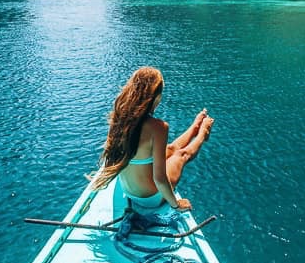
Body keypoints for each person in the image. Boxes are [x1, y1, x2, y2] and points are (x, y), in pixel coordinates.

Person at [90, 66, 213, 212]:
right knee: (181, 155)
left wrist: (194, 126)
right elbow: (160, 179)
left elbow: (172, 148)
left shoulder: (119, 119)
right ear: (156, 96)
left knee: (171, 149)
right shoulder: (158, 127)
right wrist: (176, 204)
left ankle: (195, 126)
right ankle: (203, 133)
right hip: (151, 198)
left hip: (129, 191)